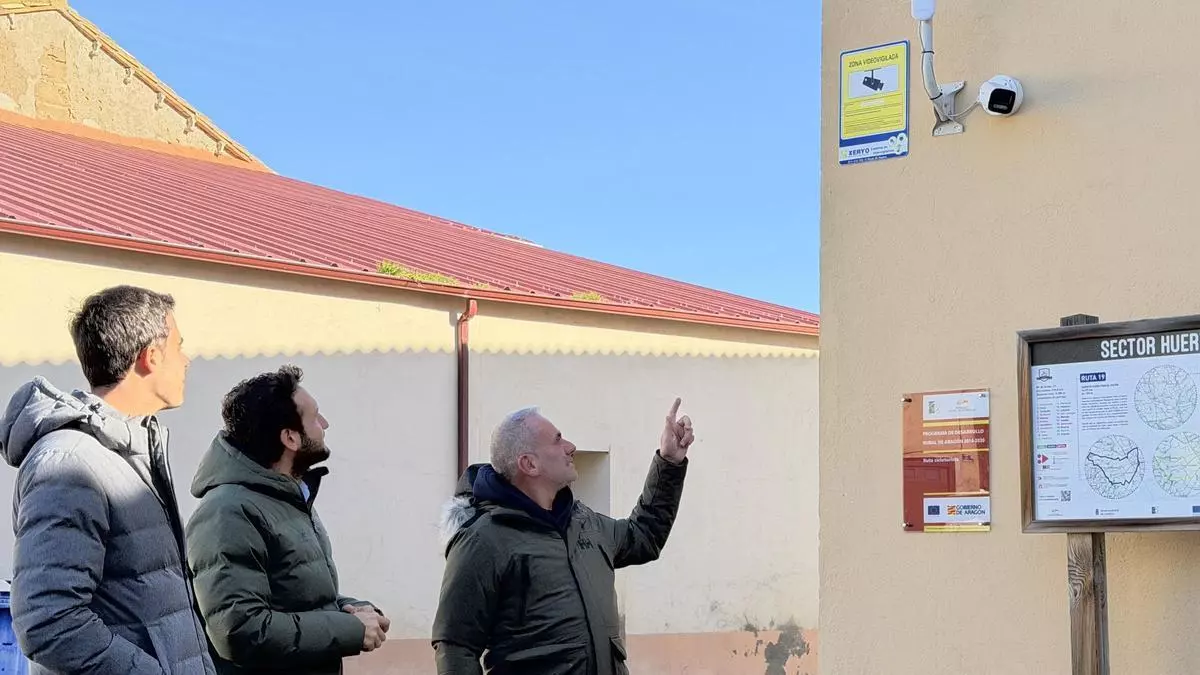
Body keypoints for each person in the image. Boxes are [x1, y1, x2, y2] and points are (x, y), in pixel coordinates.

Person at [0, 285, 215, 674]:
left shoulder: (128, 454)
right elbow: (49, 622)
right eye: (179, 346)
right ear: (151, 356)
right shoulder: (70, 463)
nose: (186, 360)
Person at [432, 398, 695, 675]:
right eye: (557, 440)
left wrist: (669, 461)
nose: (571, 447)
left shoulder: (584, 522)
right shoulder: (483, 540)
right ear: (529, 464)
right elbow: (456, 647)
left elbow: (643, 536)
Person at [185, 365, 388, 675]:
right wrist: (348, 629)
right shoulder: (227, 512)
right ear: (290, 437)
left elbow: (296, 599)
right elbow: (240, 631)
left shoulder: (288, 498)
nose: (325, 424)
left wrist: (354, 612)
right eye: (315, 417)